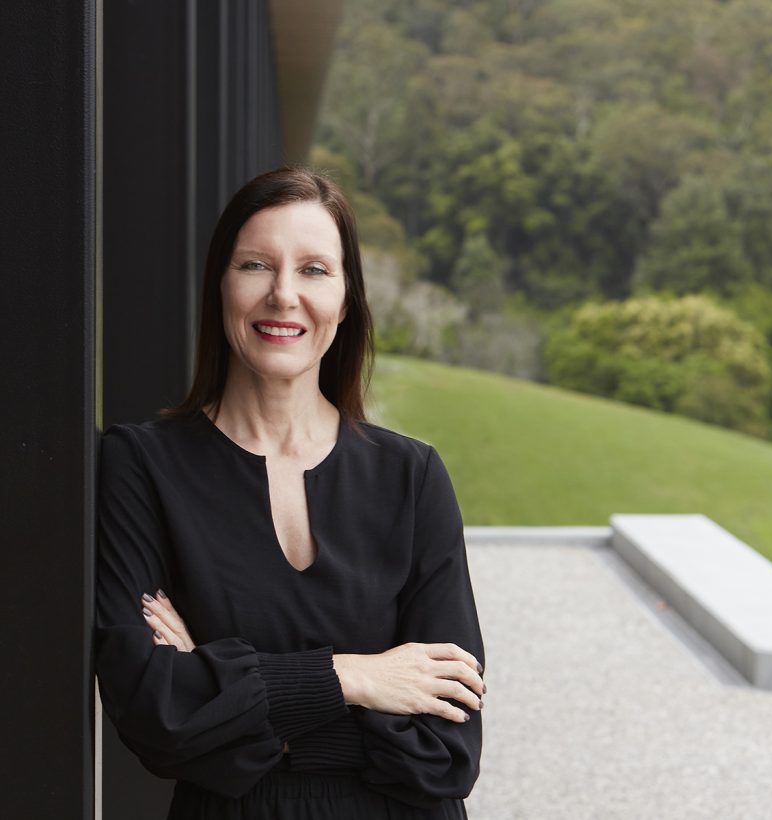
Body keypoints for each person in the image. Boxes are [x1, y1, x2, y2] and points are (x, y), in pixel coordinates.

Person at [96, 167, 485, 819]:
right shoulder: (141, 466)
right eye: (255, 265)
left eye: (313, 270)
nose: (283, 295)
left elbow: (445, 750)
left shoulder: (411, 477)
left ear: (346, 297)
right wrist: (356, 678)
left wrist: (223, 688)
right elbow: (157, 718)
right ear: (220, 284)